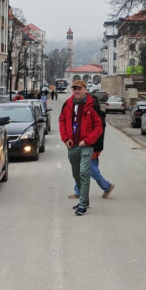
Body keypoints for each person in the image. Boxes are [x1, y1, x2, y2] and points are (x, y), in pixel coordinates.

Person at [59, 80, 104, 216]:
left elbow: (99, 127)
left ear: (85, 90)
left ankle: (83, 204)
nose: (77, 91)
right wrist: (66, 139)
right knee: (76, 173)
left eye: (79, 88)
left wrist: (88, 140)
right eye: (74, 89)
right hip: (72, 145)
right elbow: (61, 121)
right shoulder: (67, 104)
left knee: (84, 172)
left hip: (86, 145)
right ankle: (85, 199)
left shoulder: (92, 106)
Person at [69, 94, 114, 200]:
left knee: (90, 170)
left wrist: (95, 148)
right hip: (85, 146)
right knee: (82, 169)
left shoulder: (98, 117)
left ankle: (107, 186)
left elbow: (99, 136)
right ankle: (78, 191)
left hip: (92, 147)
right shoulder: (89, 115)